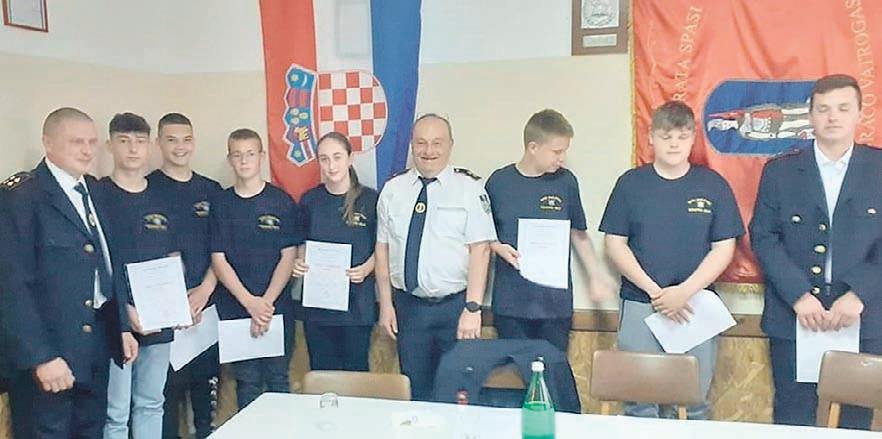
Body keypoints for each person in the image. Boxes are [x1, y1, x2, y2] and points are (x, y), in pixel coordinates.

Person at [750, 73, 882, 429]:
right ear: (810, 115)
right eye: (823, 109)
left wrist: (859, 294)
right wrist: (798, 295)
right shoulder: (780, 172)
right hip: (794, 316)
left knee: (855, 420)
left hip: (861, 316)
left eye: (842, 108)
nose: (832, 117)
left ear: (859, 113)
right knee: (793, 418)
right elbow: (763, 237)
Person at [599, 101, 744, 419]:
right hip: (642, 303)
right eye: (666, 136)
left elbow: (724, 248)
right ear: (651, 138)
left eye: (682, 136)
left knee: (694, 403)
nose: (674, 144)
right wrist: (657, 293)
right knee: (639, 403)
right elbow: (614, 243)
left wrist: (684, 292)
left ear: (693, 139)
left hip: (696, 306)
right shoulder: (631, 184)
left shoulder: (713, 185)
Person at [1, 107, 137, 438]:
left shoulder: (95, 191)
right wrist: (41, 357)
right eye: (77, 142)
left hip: (95, 346)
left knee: (90, 431)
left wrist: (120, 325)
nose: (87, 151)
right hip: (50, 352)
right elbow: (11, 285)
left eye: (92, 142)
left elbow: (107, 263)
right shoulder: (22, 197)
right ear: (48, 143)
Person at [375, 114, 497, 401]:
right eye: (421, 143)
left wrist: (473, 308)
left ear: (450, 145)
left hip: (455, 309)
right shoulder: (393, 190)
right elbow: (383, 250)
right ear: (411, 145)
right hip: (409, 309)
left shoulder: (469, 189)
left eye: (437, 143)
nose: (428, 150)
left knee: (457, 393)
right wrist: (386, 305)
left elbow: (480, 250)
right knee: (415, 392)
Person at [485, 109, 613, 353]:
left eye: (565, 151)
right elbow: (482, 237)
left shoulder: (566, 182)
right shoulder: (499, 182)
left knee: (554, 372)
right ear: (533, 147)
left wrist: (595, 276)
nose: (562, 158)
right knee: (514, 373)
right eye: (557, 151)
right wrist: (497, 247)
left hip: (554, 305)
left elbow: (578, 234)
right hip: (511, 303)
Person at [94, 113, 178, 439]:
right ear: (110, 145)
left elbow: (172, 255)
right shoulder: (97, 195)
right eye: (124, 141)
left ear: (150, 146)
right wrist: (125, 313)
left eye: (140, 141)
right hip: (116, 319)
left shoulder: (162, 196)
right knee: (116, 413)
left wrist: (174, 306)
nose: (132, 149)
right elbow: (97, 264)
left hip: (158, 318)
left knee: (152, 403)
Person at [210, 128, 301, 409]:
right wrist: (250, 303)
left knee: (278, 381)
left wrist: (265, 304)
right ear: (229, 159)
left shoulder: (281, 201)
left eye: (250, 154)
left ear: (261, 156)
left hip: (277, 309)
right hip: (236, 309)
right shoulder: (221, 203)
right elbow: (218, 259)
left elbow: (289, 257)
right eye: (237, 155)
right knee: (246, 384)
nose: (244, 161)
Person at [148, 113, 222, 439]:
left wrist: (205, 290)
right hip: (165, 315)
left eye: (186, 139)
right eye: (172, 140)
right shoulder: (146, 188)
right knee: (166, 402)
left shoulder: (212, 190)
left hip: (206, 311)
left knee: (206, 403)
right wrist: (175, 302)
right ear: (159, 144)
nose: (180, 147)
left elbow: (223, 250)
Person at [292, 132, 378, 372]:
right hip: (318, 308)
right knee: (321, 376)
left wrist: (366, 268)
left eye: (337, 157)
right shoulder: (310, 200)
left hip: (357, 307)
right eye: (324, 159)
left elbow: (383, 247)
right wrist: (298, 261)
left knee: (356, 378)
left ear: (350, 158)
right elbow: (300, 243)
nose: (331, 165)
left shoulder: (370, 200)